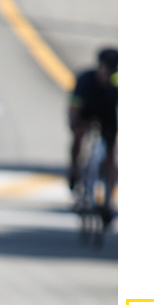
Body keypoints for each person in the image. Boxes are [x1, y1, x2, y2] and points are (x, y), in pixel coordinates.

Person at [67, 47, 118, 215]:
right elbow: (74, 106)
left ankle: (108, 201)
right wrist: (75, 124)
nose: (109, 76)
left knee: (110, 154)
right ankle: (74, 170)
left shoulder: (117, 82)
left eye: (113, 71)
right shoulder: (85, 80)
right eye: (107, 70)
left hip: (107, 114)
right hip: (86, 112)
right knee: (78, 136)